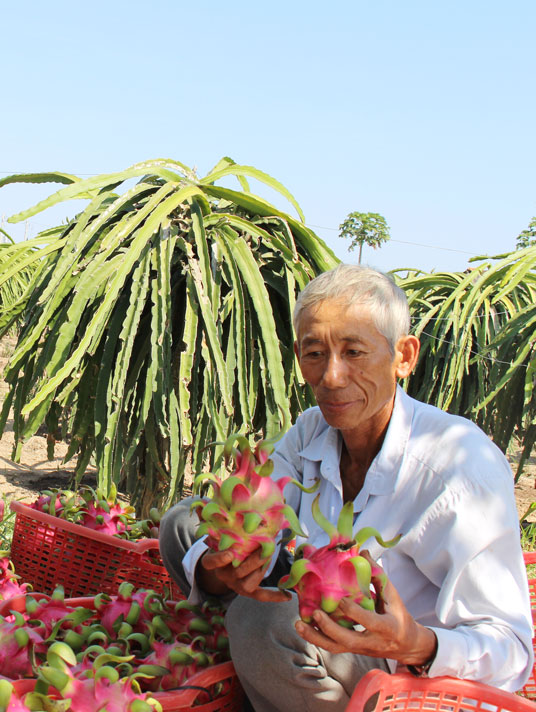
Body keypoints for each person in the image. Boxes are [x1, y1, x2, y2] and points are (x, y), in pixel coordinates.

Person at [159, 264, 534, 711]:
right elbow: (257, 524)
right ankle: (264, 661)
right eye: (315, 353)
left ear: (404, 356)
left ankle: (262, 658)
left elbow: (512, 651)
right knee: (185, 524)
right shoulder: (309, 432)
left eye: (354, 352)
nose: (332, 377)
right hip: (314, 624)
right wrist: (222, 566)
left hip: (401, 679)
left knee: (261, 622)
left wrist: (415, 644)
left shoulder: (459, 468)